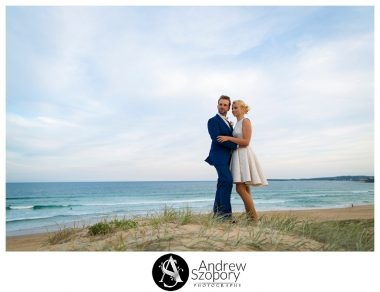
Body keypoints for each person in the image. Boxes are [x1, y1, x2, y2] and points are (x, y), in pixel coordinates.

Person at [217, 100, 268, 221]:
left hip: (244, 155)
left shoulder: (246, 121)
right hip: (237, 154)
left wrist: (228, 138)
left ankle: (254, 218)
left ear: (243, 109)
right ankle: (251, 219)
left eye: (236, 108)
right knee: (245, 189)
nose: (233, 110)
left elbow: (246, 142)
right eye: (233, 108)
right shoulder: (237, 123)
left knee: (240, 188)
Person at [205, 95, 238, 220]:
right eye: (220, 104)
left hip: (227, 157)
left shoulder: (228, 122)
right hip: (218, 156)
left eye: (225, 105)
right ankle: (226, 216)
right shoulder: (213, 121)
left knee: (222, 183)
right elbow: (217, 139)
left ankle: (217, 213)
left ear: (228, 107)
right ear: (217, 105)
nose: (222, 106)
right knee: (227, 181)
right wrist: (236, 145)